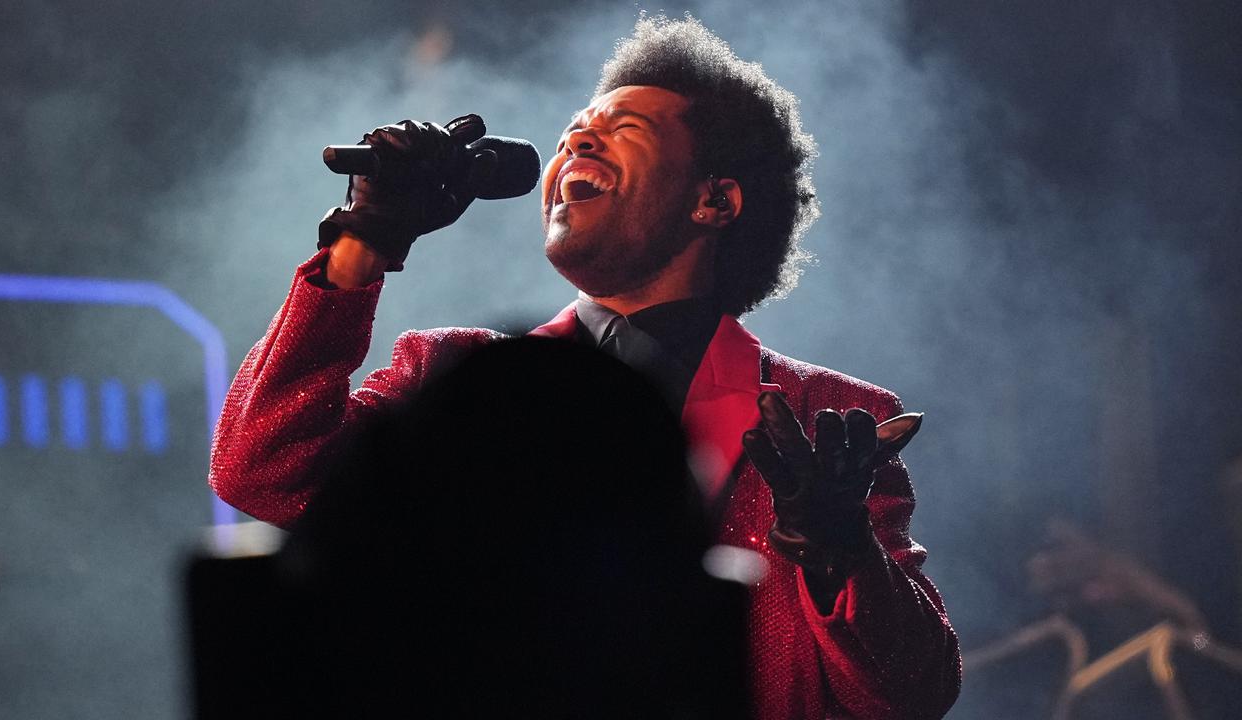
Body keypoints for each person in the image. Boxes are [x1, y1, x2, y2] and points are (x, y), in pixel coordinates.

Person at [210, 15, 961, 719]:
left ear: (714, 201)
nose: (578, 147)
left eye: (619, 131)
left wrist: (842, 553)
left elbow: (913, 694)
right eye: (574, 135)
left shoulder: (823, 419)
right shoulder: (453, 379)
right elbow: (263, 471)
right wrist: (362, 244)